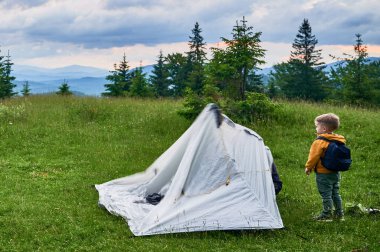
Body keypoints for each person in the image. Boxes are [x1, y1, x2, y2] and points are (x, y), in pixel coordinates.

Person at [305, 113, 345, 221]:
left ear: (323, 128)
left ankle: (326, 215)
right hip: (335, 172)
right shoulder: (339, 139)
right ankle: (339, 214)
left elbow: (313, 157)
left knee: (326, 194)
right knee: (335, 193)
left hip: (323, 173)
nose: (316, 128)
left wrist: (308, 167)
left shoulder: (319, 142)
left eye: (316, 126)